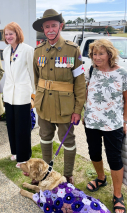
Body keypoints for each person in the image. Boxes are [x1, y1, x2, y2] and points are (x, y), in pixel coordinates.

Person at [32, 9, 86, 184]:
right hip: (44, 104)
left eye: (54, 25)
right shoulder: (38, 50)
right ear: (43, 29)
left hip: (65, 107)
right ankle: (46, 174)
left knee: (68, 141)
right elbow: (37, 78)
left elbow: (80, 82)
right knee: (45, 138)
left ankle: (68, 174)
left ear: (60, 26)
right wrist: (37, 99)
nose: (50, 29)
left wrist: (78, 109)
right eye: (47, 27)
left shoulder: (73, 50)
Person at [84, 39, 126, 213]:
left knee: (114, 158)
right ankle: (101, 178)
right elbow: (87, 92)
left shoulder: (122, 73)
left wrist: (125, 120)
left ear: (110, 54)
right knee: (94, 152)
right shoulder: (92, 70)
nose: (97, 57)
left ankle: (118, 195)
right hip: (92, 121)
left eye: (101, 53)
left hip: (113, 123)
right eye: (94, 53)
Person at [3, 22, 35, 168]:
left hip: (23, 94)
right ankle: (15, 152)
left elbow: (33, 74)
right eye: (6, 34)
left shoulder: (27, 50)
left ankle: (24, 157)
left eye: (11, 33)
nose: (8, 36)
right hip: (9, 95)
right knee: (11, 125)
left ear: (17, 34)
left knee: (22, 127)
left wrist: (34, 95)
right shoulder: (5, 51)